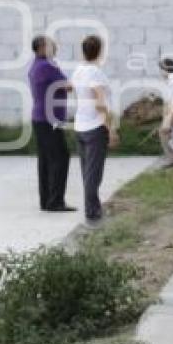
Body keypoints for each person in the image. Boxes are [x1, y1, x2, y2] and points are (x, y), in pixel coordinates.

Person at [71, 35, 119, 225]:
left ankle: (93, 207)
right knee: (94, 173)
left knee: (87, 172)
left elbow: (77, 95)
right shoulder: (95, 73)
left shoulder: (78, 71)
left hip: (80, 126)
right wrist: (111, 129)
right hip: (95, 127)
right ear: (100, 51)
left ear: (83, 51)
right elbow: (100, 102)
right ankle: (92, 213)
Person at [28, 35, 75, 212]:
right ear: (41, 47)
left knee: (46, 159)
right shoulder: (48, 66)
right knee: (60, 158)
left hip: (40, 117)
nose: (55, 47)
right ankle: (55, 201)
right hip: (50, 119)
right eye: (51, 45)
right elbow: (68, 86)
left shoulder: (36, 65)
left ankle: (46, 200)